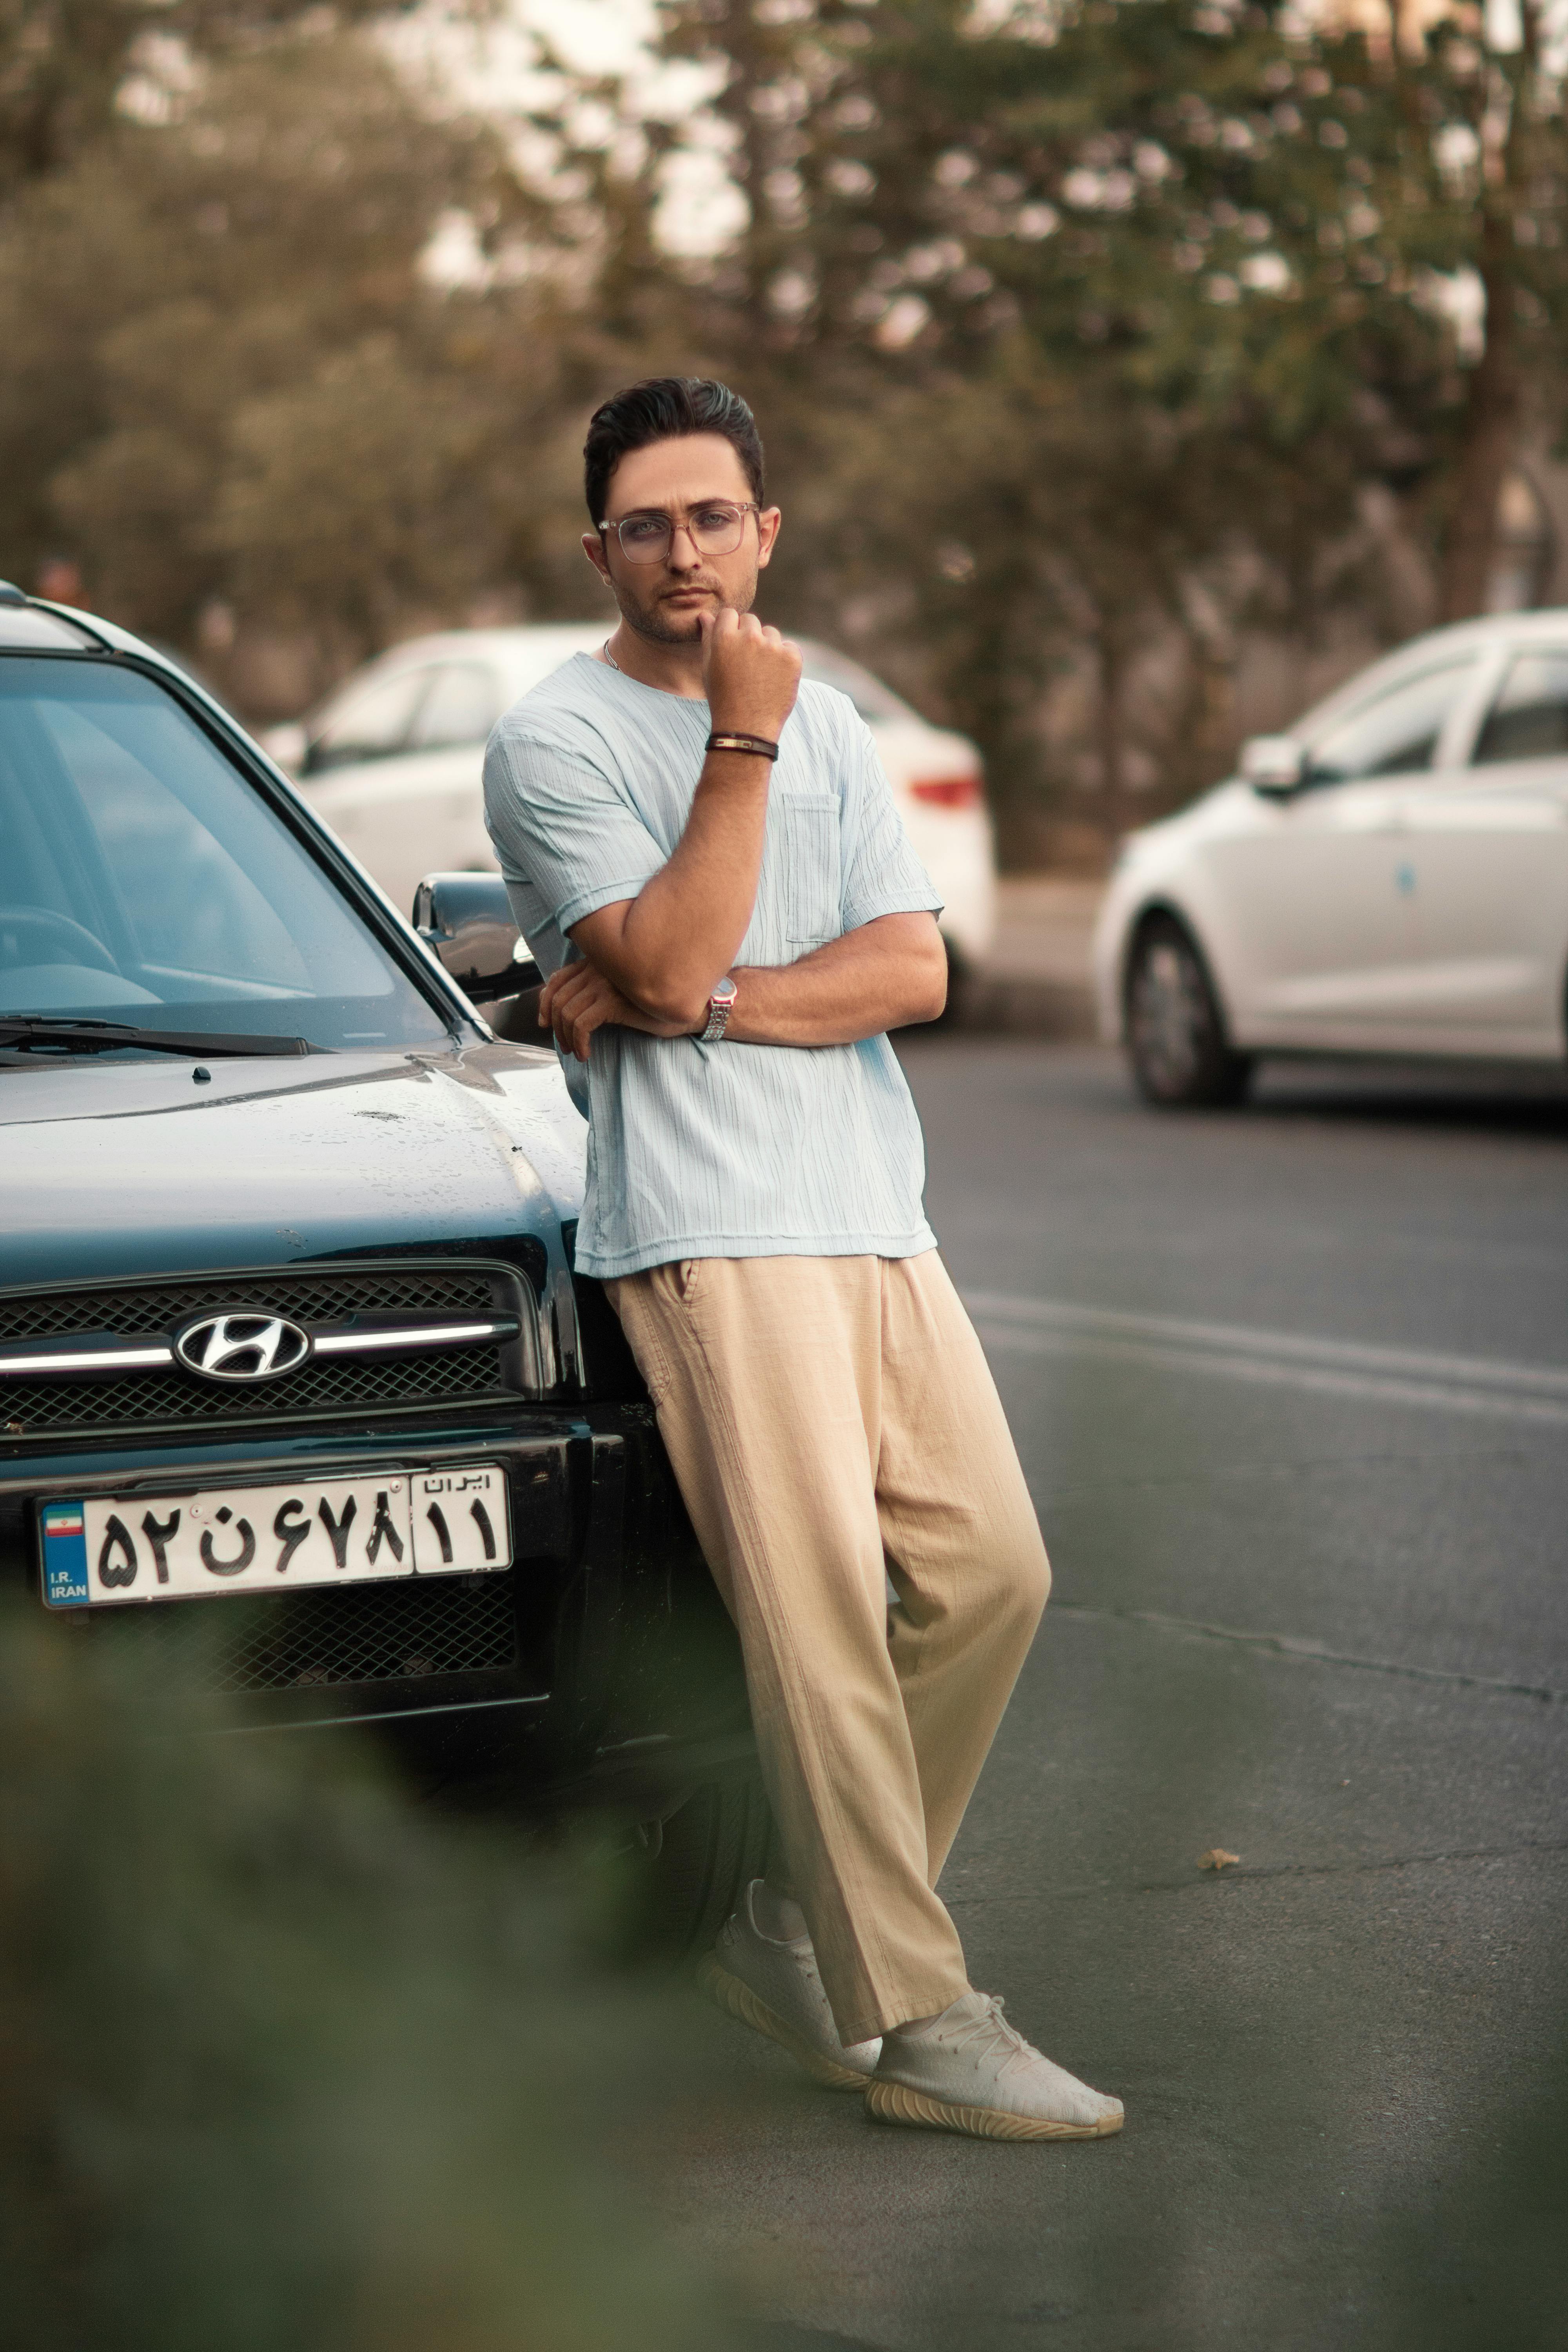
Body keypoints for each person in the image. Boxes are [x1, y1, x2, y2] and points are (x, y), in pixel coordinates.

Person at [483, 377, 1122, 2143]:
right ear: (595, 546)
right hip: (705, 1237)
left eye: (712, 516)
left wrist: (715, 995)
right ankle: (918, 2021)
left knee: (992, 1575)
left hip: (870, 1211)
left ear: (767, 528)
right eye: (644, 523)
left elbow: (907, 971)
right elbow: (671, 954)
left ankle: (784, 1927)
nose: (682, 550)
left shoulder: (829, 719)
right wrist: (740, 755)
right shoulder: (555, 744)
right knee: (822, 1627)